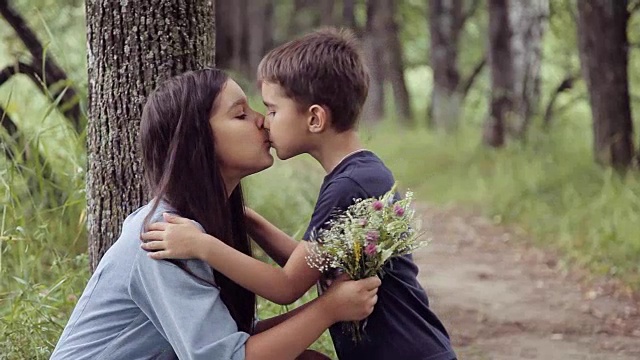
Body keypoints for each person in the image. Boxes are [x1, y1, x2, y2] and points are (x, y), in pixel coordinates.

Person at [141, 28, 457, 360]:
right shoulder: (359, 175)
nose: (264, 122)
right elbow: (314, 264)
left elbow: (287, 286)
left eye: (274, 110)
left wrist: (202, 245)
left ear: (315, 118)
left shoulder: (350, 186)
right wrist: (243, 216)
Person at [50, 68, 381, 360]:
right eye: (240, 115)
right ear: (198, 141)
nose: (262, 121)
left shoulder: (202, 231)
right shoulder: (164, 237)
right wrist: (328, 309)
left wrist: (332, 306)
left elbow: (238, 339)